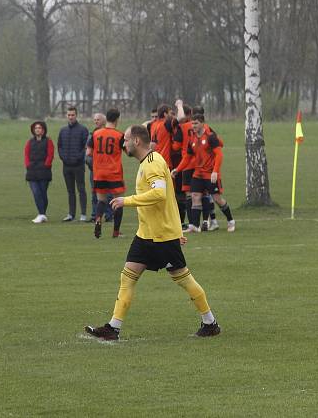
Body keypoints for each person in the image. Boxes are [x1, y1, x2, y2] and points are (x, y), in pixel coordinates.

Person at [84, 124, 221, 341]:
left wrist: (126, 201)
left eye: (126, 139)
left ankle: (210, 323)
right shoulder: (147, 162)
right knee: (127, 278)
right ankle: (113, 327)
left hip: (161, 237)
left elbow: (159, 194)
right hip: (146, 235)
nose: (123, 143)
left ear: (137, 141)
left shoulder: (153, 163)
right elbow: (170, 201)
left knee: (184, 279)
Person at [173, 113, 235, 233]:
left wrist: (215, 171)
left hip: (210, 174)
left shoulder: (210, 137)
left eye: (195, 123)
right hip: (198, 174)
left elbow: (219, 154)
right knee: (195, 196)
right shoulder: (192, 138)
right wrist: (178, 169)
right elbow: (187, 157)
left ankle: (231, 221)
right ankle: (195, 226)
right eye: (192, 123)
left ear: (202, 123)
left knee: (217, 199)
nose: (193, 126)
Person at [91, 108, 126, 239]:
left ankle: (98, 219)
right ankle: (116, 232)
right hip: (114, 172)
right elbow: (127, 151)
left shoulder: (96, 133)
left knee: (101, 200)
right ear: (117, 119)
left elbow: (89, 151)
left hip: (99, 172)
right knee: (118, 201)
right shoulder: (119, 135)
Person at [57, 106, 89, 222]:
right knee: (70, 191)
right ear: (66, 116)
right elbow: (59, 146)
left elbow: (85, 147)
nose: (70, 117)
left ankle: (83, 214)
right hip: (66, 165)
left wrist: (77, 158)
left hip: (78, 165)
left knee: (81, 189)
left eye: (73, 115)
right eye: (69, 115)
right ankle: (71, 214)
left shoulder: (83, 130)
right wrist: (63, 157)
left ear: (76, 115)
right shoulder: (63, 130)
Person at [24, 121, 54, 223]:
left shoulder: (48, 141)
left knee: (43, 193)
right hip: (32, 171)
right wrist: (28, 165)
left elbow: (50, 155)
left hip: (44, 172)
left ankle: (42, 214)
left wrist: (46, 165)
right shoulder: (30, 142)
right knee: (36, 192)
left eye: (40, 128)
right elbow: (26, 154)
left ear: (43, 130)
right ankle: (41, 214)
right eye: (36, 128)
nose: (37, 129)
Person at [86, 112, 112, 222]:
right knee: (94, 193)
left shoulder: (109, 134)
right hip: (95, 170)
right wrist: (92, 164)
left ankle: (109, 215)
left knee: (109, 193)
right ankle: (95, 215)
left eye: (98, 119)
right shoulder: (92, 135)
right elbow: (88, 153)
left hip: (108, 169)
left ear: (104, 121)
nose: (96, 121)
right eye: (95, 119)